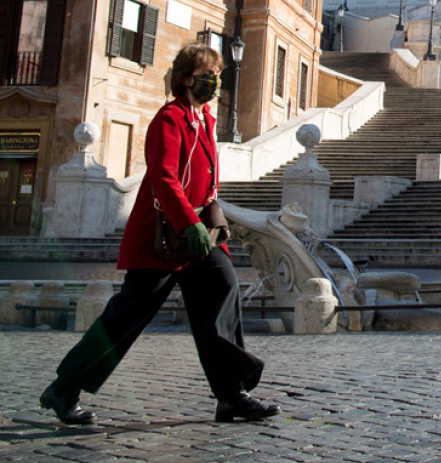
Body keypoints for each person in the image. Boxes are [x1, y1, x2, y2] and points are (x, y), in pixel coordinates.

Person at [39, 43, 279, 425]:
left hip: (198, 235)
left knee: (223, 287)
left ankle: (232, 394)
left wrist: (207, 221)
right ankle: (64, 388)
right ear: (187, 78)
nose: (215, 81)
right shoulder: (169, 119)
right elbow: (164, 178)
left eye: (217, 74)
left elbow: (205, 179)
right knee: (127, 316)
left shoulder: (205, 120)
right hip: (164, 237)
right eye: (208, 74)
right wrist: (188, 222)